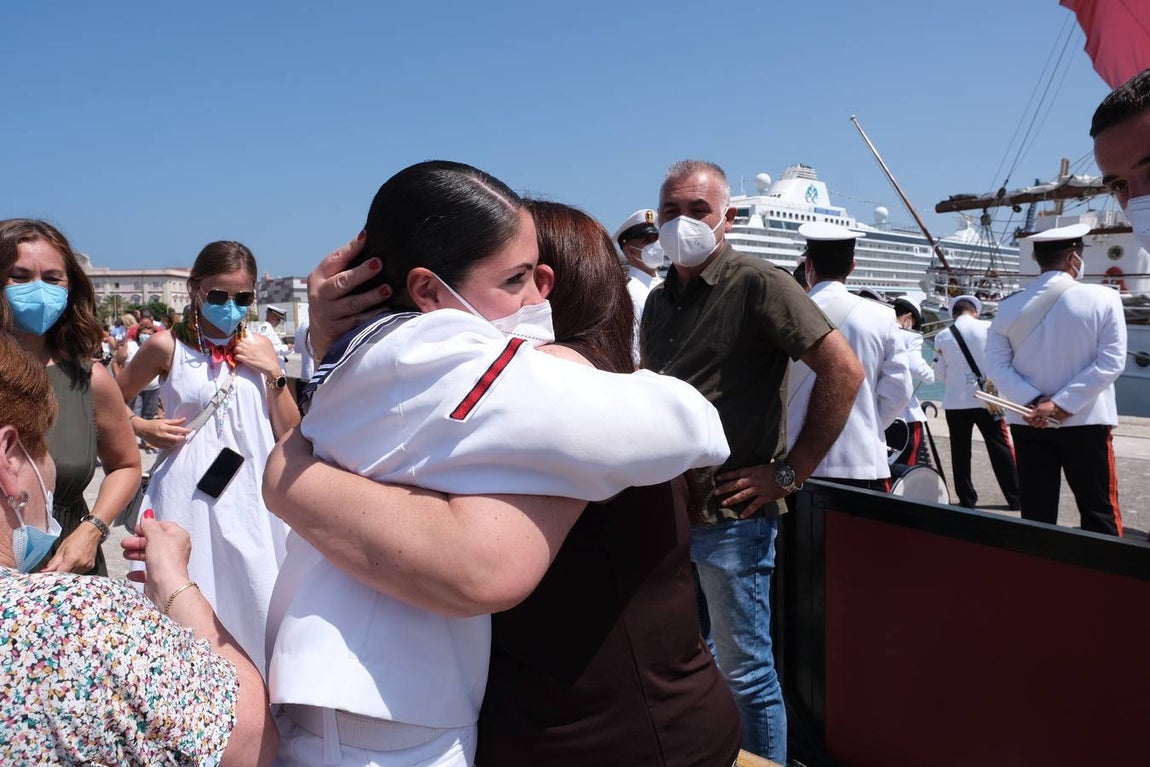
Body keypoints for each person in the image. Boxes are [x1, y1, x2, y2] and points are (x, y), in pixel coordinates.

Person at [263, 161, 736, 767]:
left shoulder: (517, 393)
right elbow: (691, 422)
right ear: (430, 292)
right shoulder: (478, 375)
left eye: (542, 277)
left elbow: (481, 562)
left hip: (596, 735)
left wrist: (288, 471)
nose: (534, 295)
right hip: (477, 721)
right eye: (516, 278)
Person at [640, 160, 864, 763]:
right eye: (670, 211)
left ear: (728, 219)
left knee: (746, 672)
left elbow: (843, 371)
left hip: (734, 516)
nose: (680, 222)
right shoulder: (660, 301)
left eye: (697, 211)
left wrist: (790, 471)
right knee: (696, 662)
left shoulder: (757, 282)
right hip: (675, 514)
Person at [0, 331, 277, 766]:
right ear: (9, 457)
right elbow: (247, 736)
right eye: (45, 447)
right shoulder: (80, 618)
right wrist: (173, 583)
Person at [117, 240, 299, 672]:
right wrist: (143, 427)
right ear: (197, 289)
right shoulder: (166, 346)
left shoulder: (260, 346)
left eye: (243, 297)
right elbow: (110, 403)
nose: (231, 306)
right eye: (219, 295)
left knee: (258, 585)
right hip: (187, 489)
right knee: (187, 583)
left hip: (253, 486)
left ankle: (261, 691)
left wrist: (271, 370)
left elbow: (289, 428)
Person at [0, 219, 140, 577]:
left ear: (70, 287)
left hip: (71, 572)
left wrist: (94, 529)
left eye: (51, 278)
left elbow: (126, 465)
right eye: (19, 275)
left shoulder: (90, 379)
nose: (38, 289)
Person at [985, 226, 1125, 535]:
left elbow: (995, 365)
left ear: (1038, 259)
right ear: (1074, 258)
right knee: (1098, 509)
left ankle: (1038, 577)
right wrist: (1060, 404)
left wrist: (1036, 401)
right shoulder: (1104, 297)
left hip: (1029, 420)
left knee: (1036, 512)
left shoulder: (1008, 307)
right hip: (1086, 421)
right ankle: (1104, 579)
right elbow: (1111, 362)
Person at [787, 222, 912, 491]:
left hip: (793, 461)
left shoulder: (786, 312)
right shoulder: (882, 316)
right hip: (861, 461)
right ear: (852, 265)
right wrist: (865, 422)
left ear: (808, 265)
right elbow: (899, 391)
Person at [934, 295, 1021, 509]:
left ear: (953, 313)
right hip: (987, 398)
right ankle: (1016, 497)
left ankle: (967, 499)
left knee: (960, 451)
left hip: (955, 401)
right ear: (975, 311)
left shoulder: (943, 335)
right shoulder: (989, 327)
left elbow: (939, 374)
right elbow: (1002, 361)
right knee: (999, 447)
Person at [614, 207, 663, 365]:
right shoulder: (630, 292)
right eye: (647, 240)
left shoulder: (666, 285)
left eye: (657, 238)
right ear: (630, 252)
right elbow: (631, 351)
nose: (656, 245)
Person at [888, 298, 934, 466]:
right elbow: (918, 368)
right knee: (907, 463)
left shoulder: (877, 331)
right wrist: (931, 374)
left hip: (877, 409)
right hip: (904, 414)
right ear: (908, 318)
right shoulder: (910, 336)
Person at [254, 304, 290, 371]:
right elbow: (264, 348)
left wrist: (289, 348)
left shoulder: (269, 328)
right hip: (272, 370)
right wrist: (286, 347)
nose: (279, 322)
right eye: (278, 319)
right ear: (271, 316)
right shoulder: (266, 328)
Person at [293, 311, 314, 402]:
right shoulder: (320, 323)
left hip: (305, 374)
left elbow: (297, 349)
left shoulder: (301, 326)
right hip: (318, 375)